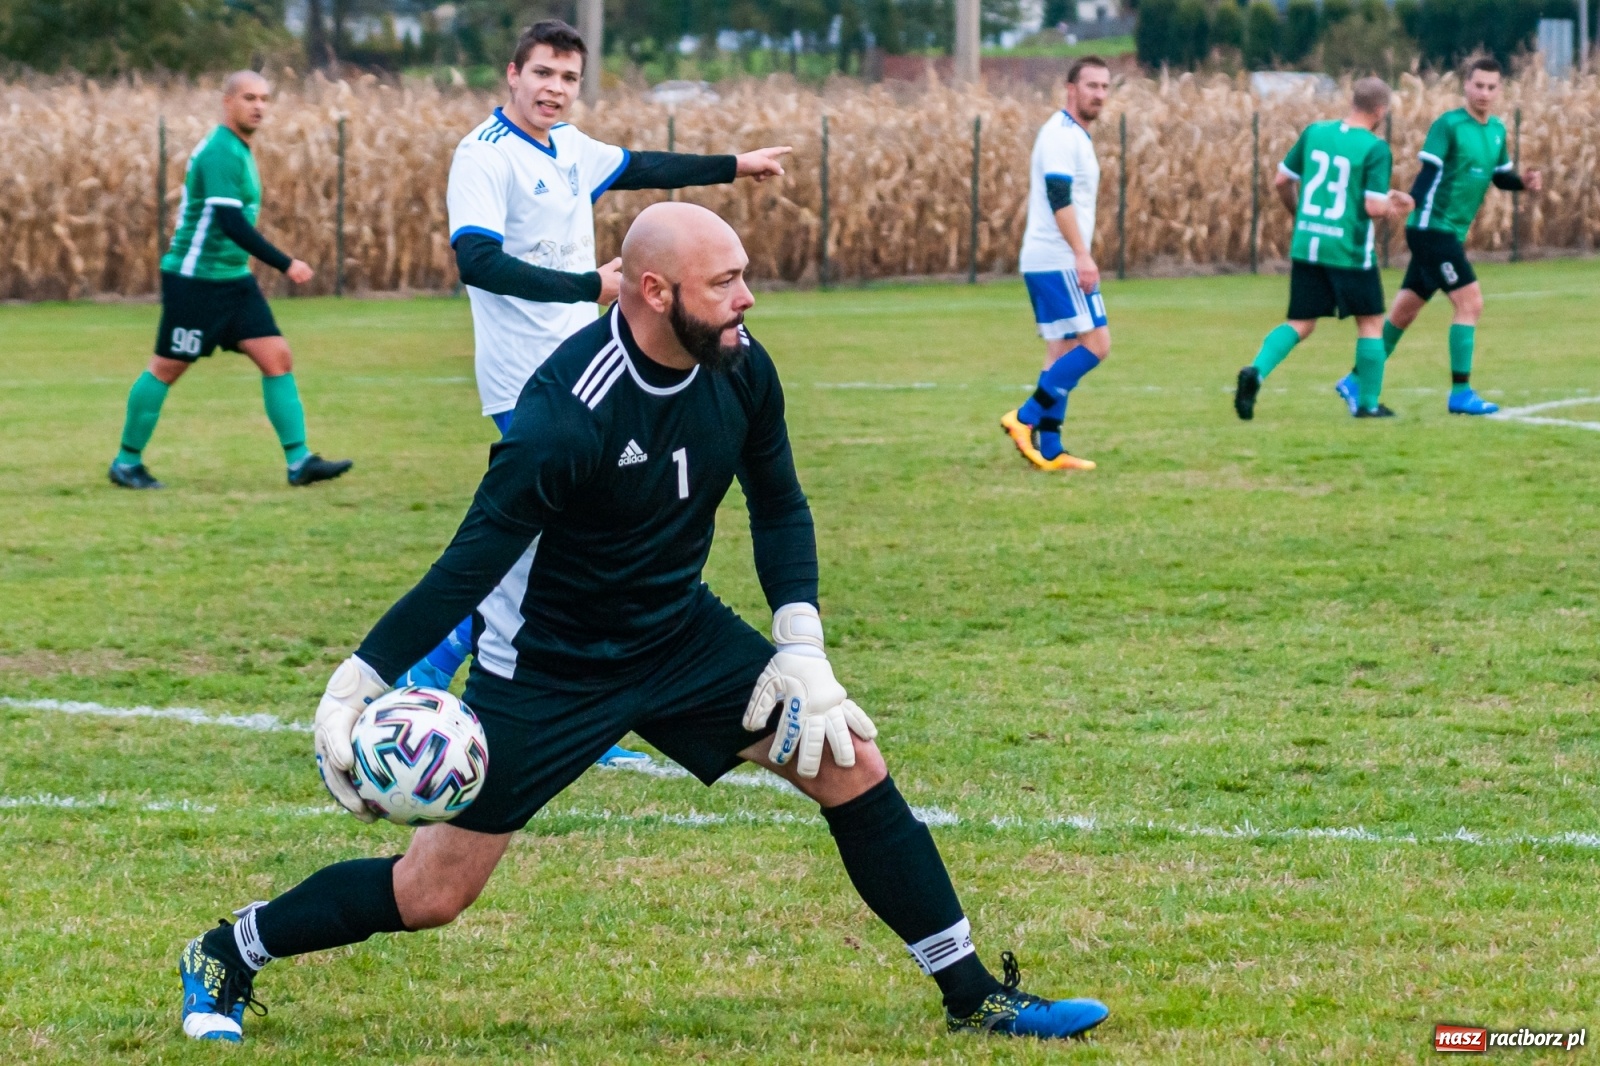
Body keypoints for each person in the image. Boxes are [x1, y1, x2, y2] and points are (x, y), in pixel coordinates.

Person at [174, 202, 1110, 1046]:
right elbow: (469, 563)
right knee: (432, 893)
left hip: (679, 637)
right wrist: (356, 682)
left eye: (744, 274)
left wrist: (802, 649)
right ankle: (228, 949)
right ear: (654, 292)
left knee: (851, 759)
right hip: (549, 666)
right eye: (725, 282)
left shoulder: (739, 366)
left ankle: (972, 994)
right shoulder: (560, 419)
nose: (747, 298)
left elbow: (779, 504)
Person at [399, 21, 791, 775]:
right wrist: (591, 286)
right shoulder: (483, 158)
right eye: (542, 73)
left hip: (595, 374)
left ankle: (577, 698)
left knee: (570, 543)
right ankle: (435, 669)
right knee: (541, 543)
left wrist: (735, 165)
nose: (555, 89)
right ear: (512, 75)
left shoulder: (571, 147)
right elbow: (477, 260)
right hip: (531, 380)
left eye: (569, 78)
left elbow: (642, 165)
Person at [108, 71, 352, 490]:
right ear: (228, 103)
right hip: (196, 281)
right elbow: (230, 222)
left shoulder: (239, 149)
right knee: (167, 367)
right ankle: (126, 463)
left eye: (265, 98)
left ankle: (299, 462)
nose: (258, 106)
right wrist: (285, 262)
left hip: (233, 280)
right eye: (249, 98)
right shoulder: (221, 151)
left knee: (277, 357)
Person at [1337, 57, 1542, 417]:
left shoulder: (1496, 130)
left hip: (1445, 233)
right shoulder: (1448, 125)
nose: (1484, 92)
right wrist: (1413, 199)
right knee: (1470, 304)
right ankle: (1460, 393)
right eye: (1478, 85)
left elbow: (1500, 177)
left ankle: (1356, 380)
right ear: (1466, 85)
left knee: (1403, 313)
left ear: (1499, 90)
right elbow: (1430, 170)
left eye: (1492, 87)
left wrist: (1523, 183)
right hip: (1432, 230)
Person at [1234, 79, 1415, 421]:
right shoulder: (1375, 149)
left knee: (1300, 322)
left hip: (1308, 244)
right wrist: (1395, 204)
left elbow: (1282, 181)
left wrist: (1298, 213)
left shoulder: (1315, 132)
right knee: (1371, 323)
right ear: (1381, 111)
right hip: (1347, 250)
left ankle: (1256, 372)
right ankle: (1369, 404)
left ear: (1353, 102)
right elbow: (1373, 208)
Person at [1001, 55, 1112, 472]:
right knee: (1097, 346)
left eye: (1104, 87)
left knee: (1061, 349)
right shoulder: (1061, 135)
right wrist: (1082, 255)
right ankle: (1024, 417)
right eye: (1091, 86)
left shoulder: (1075, 135)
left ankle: (1051, 449)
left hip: (1052, 258)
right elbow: (1058, 196)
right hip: (1058, 258)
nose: (1099, 94)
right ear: (1071, 89)